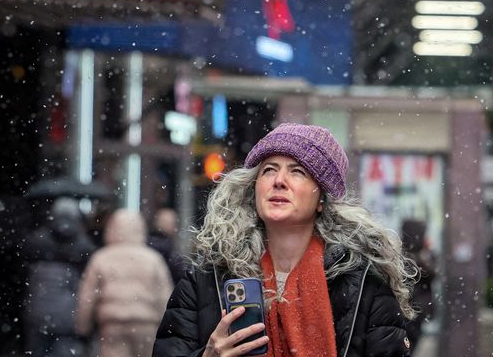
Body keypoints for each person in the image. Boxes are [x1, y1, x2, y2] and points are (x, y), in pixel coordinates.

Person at [154, 123, 418, 357]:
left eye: (297, 172)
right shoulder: (207, 279)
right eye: (269, 170)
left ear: (321, 201)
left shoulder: (363, 285)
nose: (279, 181)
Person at [75, 209, 173, 357]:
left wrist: (83, 327)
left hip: (112, 325)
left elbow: (87, 296)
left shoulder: (101, 258)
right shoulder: (153, 259)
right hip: (146, 324)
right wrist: (168, 327)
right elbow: (164, 295)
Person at [22, 197, 96, 357]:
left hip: (39, 310)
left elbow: (25, 260)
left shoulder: (38, 240)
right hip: (68, 312)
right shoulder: (83, 244)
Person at [400, 219, 436, 352]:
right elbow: (429, 275)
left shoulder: (420, 255)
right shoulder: (410, 258)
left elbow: (431, 275)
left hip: (414, 312)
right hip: (411, 312)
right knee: (408, 346)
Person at [146, 207, 184, 283]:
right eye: (173, 223)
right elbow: (179, 271)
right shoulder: (167, 247)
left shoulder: (147, 242)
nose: (175, 227)